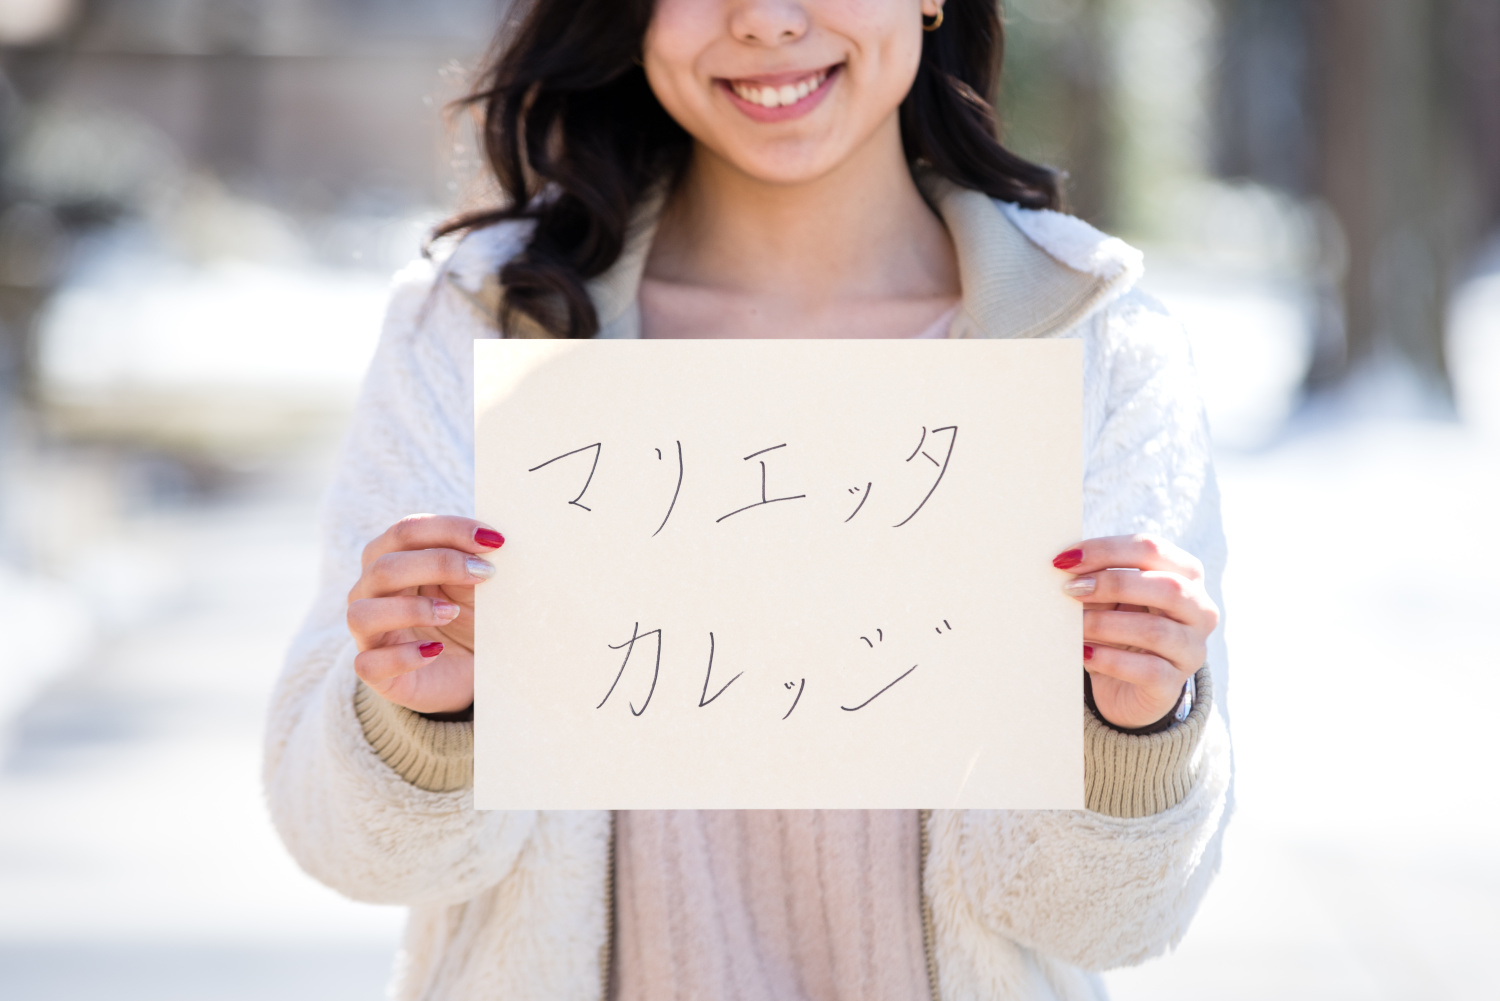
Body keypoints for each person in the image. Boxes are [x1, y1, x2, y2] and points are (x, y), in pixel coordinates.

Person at [264, 0, 1231, 998]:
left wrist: (1132, 738)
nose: (766, 20)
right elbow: (360, 853)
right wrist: (427, 722)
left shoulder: (1094, 344)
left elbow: (1115, 916)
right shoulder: (477, 325)